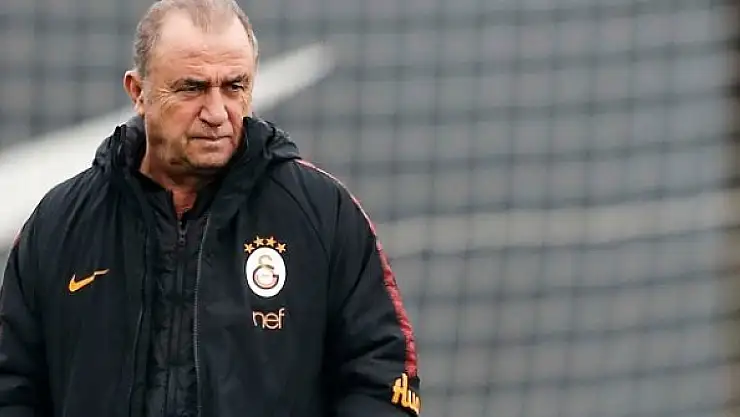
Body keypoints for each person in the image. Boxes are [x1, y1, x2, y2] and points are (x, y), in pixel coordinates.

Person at [0, 0, 421, 415]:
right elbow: (12, 384)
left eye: (234, 86)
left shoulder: (323, 214)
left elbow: (381, 377)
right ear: (138, 92)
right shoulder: (60, 224)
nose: (217, 113)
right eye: (192, 88)